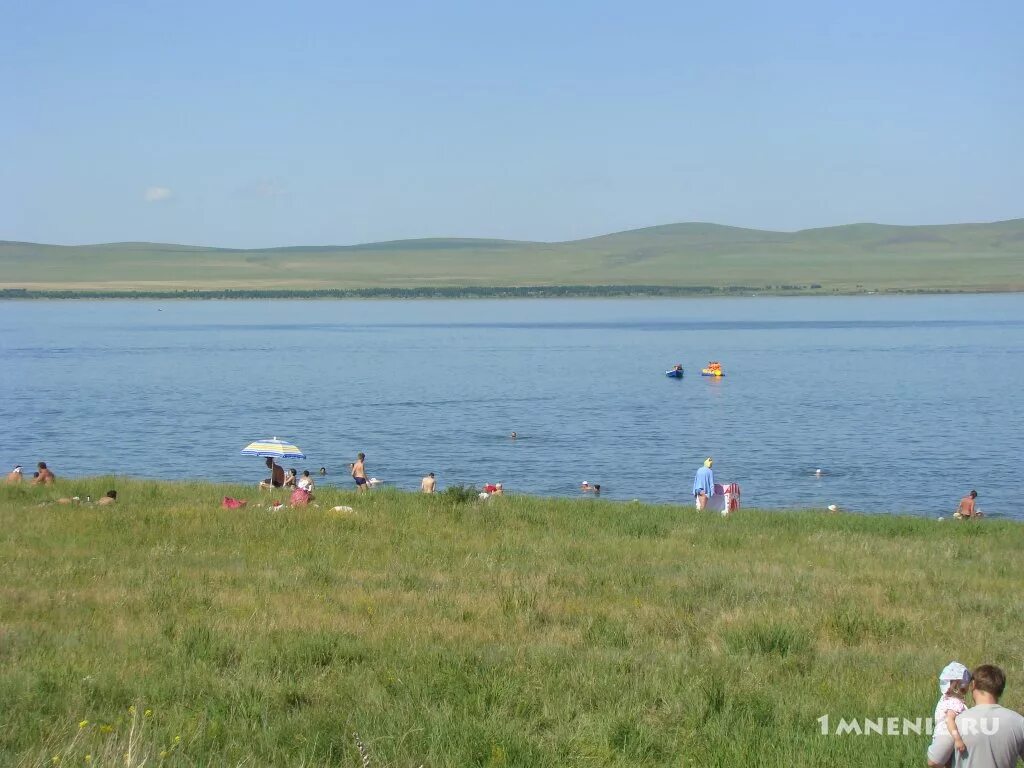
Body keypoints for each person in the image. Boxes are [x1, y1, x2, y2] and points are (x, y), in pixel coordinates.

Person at [927, 664, 1024, 768]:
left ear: (973, 685)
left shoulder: (956, 722)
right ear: (1001, 689)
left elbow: (934, 761)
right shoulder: (1019, 722)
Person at [929, 662, 972, 762]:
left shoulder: (946, 699)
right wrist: (957, 739)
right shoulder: (954, 702)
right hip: (948, 737)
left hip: (941, 736)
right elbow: (950, 720)